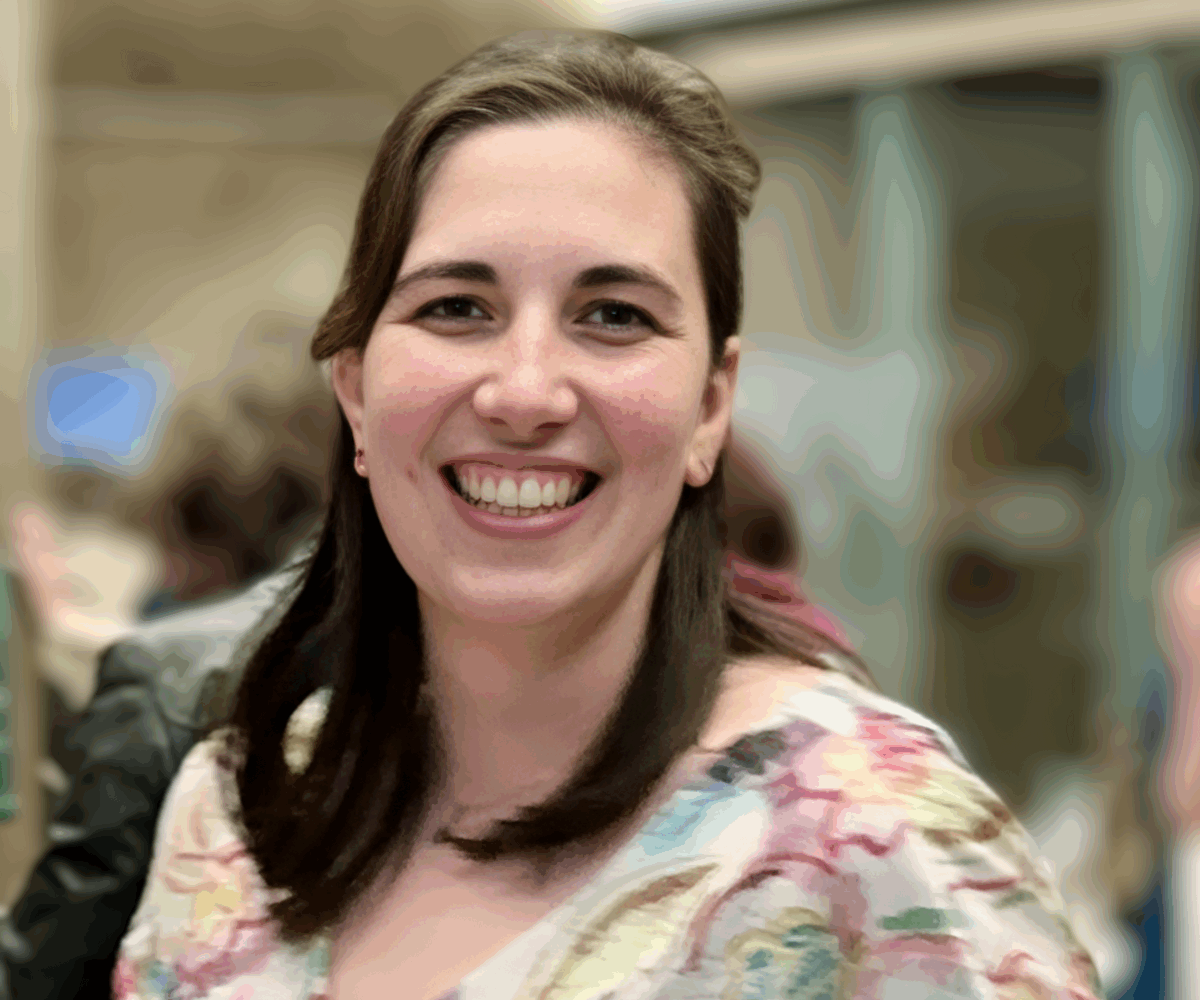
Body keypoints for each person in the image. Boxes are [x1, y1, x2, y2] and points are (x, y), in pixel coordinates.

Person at [113, 30, 1102, 1000]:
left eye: (614, 314)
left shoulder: (868, 835)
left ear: (711, 406)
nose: (526, 390)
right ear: (358, 394)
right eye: (457, 306)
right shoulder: (241, 809)